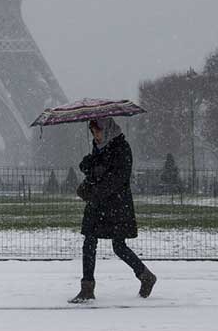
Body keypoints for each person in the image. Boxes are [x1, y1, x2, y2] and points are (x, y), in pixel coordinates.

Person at [68, 118, 156, 303]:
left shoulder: (122, 148)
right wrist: (88, 169)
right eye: (92, 132)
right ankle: (87, 288)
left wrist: (94, 188)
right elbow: (96, 173)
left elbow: (118, 179)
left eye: (97, 131)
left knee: (118, 246)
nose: (95, 135)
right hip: (98, 204)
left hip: (116, 205)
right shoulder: (99, 148)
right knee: (89, 242)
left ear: (107, 129)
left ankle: (145, 276)